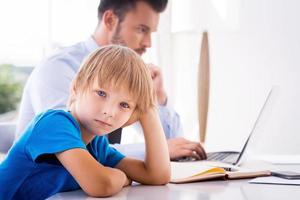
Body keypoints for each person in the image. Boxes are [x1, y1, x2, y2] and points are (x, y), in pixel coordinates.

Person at [16, 0, 206, 160]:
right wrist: (154, 151)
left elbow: (177, 146)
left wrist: (157, 98)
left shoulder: (129, 76)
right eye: (141, 30)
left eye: (150, 33)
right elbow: (73, 148)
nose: (148, 43)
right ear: (110, 20)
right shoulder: (58, 68)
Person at [0, 45, 171, 199]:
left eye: (124, 105)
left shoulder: (97, 145)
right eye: (101, 93)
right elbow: (101, 185)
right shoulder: (54, 123)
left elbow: (157, 175)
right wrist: (122, 177)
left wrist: (148, 110)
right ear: (76, 87)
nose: (109, 112)